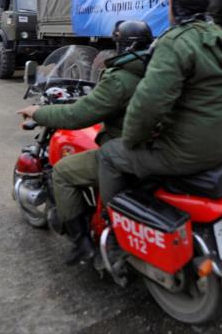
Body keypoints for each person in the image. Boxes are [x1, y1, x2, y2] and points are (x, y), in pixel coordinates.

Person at [98, 0, 222, 205]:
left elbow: (148, 104)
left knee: (109, 154)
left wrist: (131, 140)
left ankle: (114, 224)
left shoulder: (174, 42)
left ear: (175, 7)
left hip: (185, 154)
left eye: (169, 5)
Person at [17, 20, 152, 264]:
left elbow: (78, 115)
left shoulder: (121, 77)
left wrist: (38, 112)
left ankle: (81, 243)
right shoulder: (157, 70)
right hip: (152, 146)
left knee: (62, 173)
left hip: (124, 150)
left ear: (122, 45)